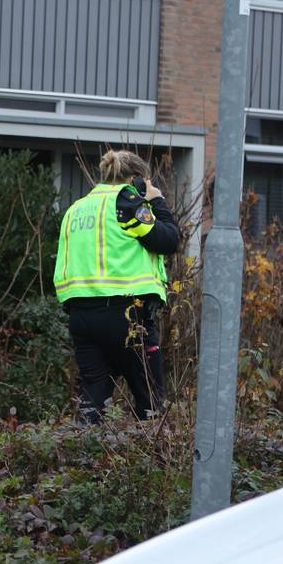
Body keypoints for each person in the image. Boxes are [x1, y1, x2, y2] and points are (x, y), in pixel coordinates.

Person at [55, 149, 180, 422]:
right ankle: (153, 459)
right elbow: (169, 240)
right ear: (135, 179)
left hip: (81, 316)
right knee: (149, 397)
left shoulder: (75, 209)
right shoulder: (126, 203)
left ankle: (82, 457)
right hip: (126, 313)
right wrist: (157, 201)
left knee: (93, 398)